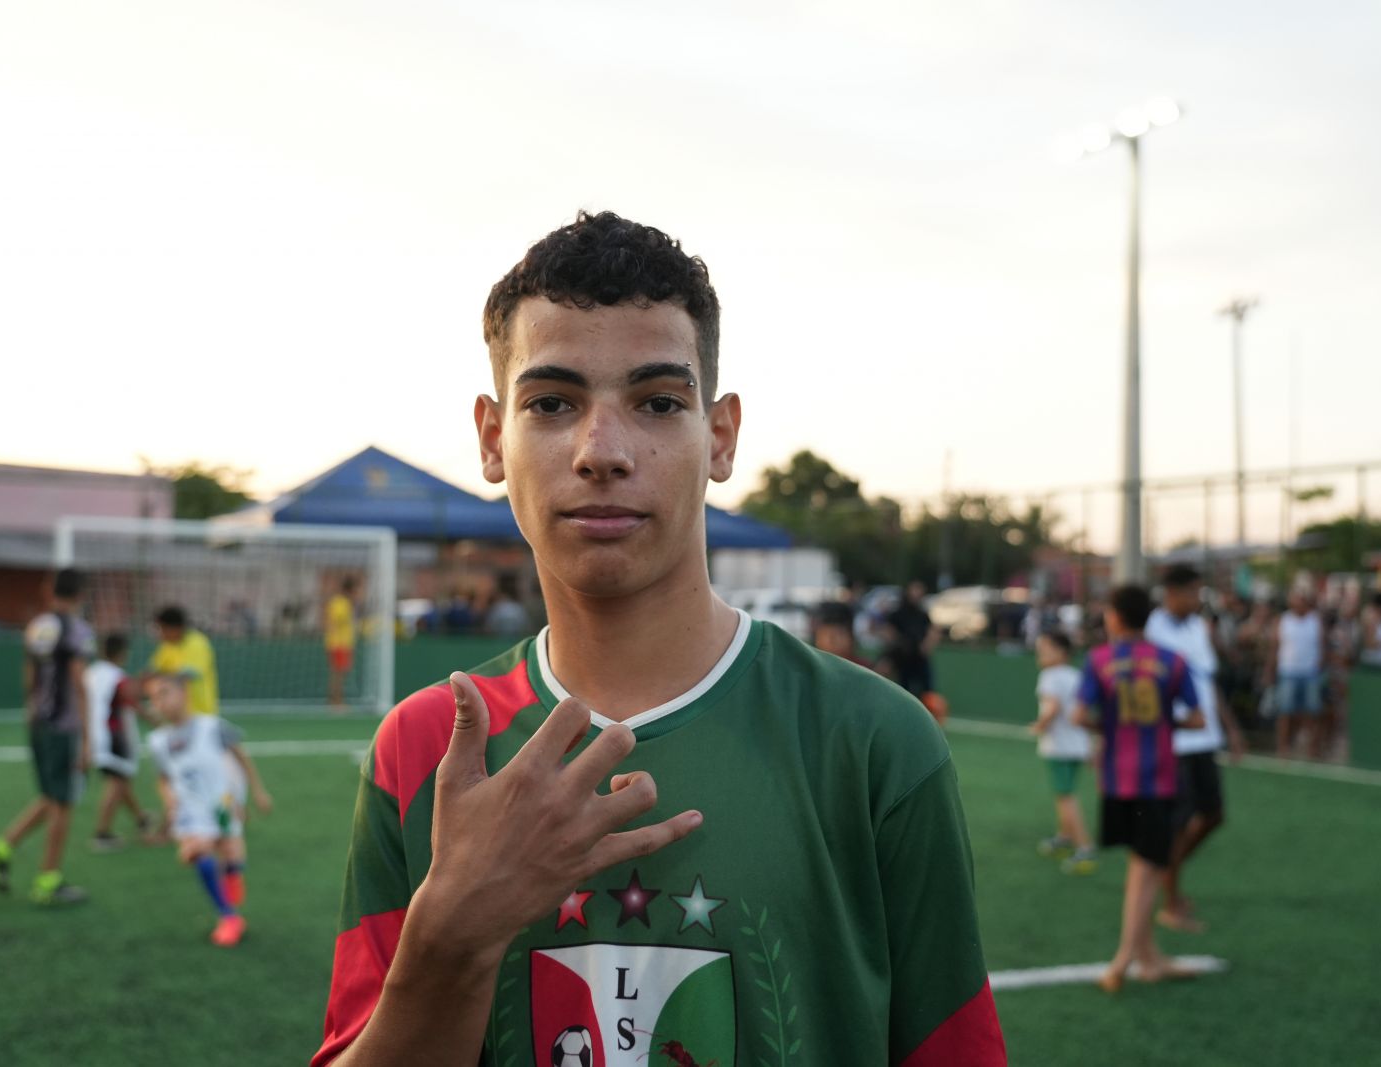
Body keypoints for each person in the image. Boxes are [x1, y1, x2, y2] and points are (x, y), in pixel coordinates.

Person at [312, 212, 1004, 1066]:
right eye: (554, 402)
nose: (602, 449)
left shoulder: (874, 742)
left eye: (659, 402)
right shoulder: (427, 749)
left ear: (720, 436)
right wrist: (452, 935)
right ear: (495, 438)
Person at [1073, 584, 1205, 993]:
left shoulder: (1098, 660)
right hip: (1158, 778)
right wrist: (1166, 724)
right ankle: (1125, 959)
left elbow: (1079, 715)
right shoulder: (1173, 661)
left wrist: (1108, 730)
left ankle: (1149, 959)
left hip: (1116, 777)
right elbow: (1198, 719)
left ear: (1114, 616)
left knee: (1141, 865)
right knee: (1147, 869)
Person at [0, 569, 95, 905]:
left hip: (39, 723)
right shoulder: (77, 630)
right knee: (64, 803)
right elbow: (80, 684)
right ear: (82, 594)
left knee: (50, 795)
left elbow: (29, 674)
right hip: (64, 727)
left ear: (48, 590)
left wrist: (31, 710)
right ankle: (48, 881)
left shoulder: (37, 626)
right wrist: (88, 738)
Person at [1144, 564, 1246, 933]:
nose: (1197, 599)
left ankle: (1167, 871)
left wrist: (1231, 728)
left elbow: (1208, 681)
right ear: (1171, 592)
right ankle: (1171, 903)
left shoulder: (1198, 628)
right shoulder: (1153, 629)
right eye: (1192, 592)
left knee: (1214, 815)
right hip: (1175, 739)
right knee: (1181, 821)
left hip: (1205, 736)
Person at [145, 673, 273, 946]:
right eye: (154, 697)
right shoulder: (157, 741)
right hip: (190, 811)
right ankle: (228, 917)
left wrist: (257, 792)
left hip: (222, 803)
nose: (159, 701)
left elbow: (240, 755)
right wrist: (169, 802)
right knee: (197, 855)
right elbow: (163, 778)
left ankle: (233, 870)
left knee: (229, 852)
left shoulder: (212, 726)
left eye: (164, 693)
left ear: (184, 694)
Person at [1030, 631, 1096, 874]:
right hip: (1077, 744)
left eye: (1045, 648)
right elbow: (1083, 711)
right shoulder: (1075, 675)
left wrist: (1040, 725)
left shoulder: (1049, 676)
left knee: (1065, 796)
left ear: (1062, 652)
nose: (1040, 653)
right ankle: (1064, 837)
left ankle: (1084, 848)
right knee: (1065, 793)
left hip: (1060, 746)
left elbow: (1053, 706)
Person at [85, 633, 157, 850]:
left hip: (93, 734)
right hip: (115, 735)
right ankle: (102, 834)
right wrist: (153, 719)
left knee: (120, 780)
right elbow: (131, 700)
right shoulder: (118, 677)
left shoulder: (90, 673)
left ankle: (141, 818)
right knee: (117, 781)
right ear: (122, 653)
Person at [1266, 590, 1324, 758]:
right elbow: (1274, 647)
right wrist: (1270, 669)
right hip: (1288, 671)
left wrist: (1320, 665)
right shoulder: (1283, 620)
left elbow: (1321, 644)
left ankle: (1312, 750)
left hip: (1310, 673)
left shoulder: (1315, 620)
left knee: (1312, 713)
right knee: (1285, 712)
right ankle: (1283, 748)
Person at [148, 605, 219, 715]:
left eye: (161, 628)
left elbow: (187, 675)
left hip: (200, 714)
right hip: (175, 716)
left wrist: (159, 679)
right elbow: (152, 671)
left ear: (174, 628)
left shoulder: (197, 643)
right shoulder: (167, 646)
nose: (159, 633)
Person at [886, 580, 938, 697]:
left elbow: (932, 631)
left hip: (920, 656)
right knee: (904, 688)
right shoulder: (898, 612)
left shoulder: (922, 614)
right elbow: (889, 631)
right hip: (904, 656)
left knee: (927, 688)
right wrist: (898, 644)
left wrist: (927, 645)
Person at [325, 577, 359, 707]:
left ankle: (336, 700)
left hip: (343, 643)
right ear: (350, 590)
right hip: (338, 643)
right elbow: (333, 622)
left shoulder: (345, 603)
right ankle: (336, 702)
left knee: (340, 673)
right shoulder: (340, 603)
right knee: (337, 674)